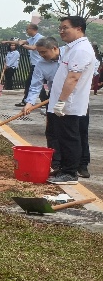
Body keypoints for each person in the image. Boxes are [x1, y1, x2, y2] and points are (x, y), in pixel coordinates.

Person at [46, 15, 97, 184]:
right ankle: (65, 169)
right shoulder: (72, 48)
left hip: (69, 103)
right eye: (60, 28)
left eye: (65, 27)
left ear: (78, 29)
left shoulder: (81, 50)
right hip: (63, 102)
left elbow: (73, 78)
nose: (61, 31)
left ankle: (70, 173)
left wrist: (62, 101)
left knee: (70, 137)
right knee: (63, 136)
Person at [24, 38, 62, 165]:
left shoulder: (69, 58)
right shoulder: (41, 64)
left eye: (43, 52)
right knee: (52, 131)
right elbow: (35, 85)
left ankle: (80, 164)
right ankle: (55, 163)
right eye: (39, 52)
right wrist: (29, 103)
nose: (41, 55)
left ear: (54, 48)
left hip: (74, 96)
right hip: (53, 97)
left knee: (75, 131)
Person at [17, 24, 43, 107]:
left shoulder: (40, 38)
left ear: (32, 29)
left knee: (29, 82)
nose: (26, 31)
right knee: (36, 83)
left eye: (27, 29)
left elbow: (33, 48)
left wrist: (23, 45)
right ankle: (44, 100)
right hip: (35, 64)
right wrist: (8, 42)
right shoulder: (31, 38)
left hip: (39, 64)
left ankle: (26, 100)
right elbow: (22, 41)